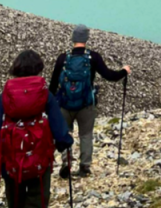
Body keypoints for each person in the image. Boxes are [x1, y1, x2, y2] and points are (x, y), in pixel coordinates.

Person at [0, 49, 73, 208]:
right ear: (38, 69)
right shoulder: (44, 94)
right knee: (36, 206)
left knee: (15, 205)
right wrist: (65, 144)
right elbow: (59, 128)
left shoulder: (6, 95)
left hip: (11, 163)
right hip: (40, 162)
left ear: (16, 69)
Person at [49, 24, 131, 178]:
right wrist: (124, 71)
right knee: (85, 134)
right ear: (86, 38)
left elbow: (53, 85)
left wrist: (50, 104)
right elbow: (109, 76)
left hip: (65, 104)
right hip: (86, 104)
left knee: (65, 133)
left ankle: (66, 163)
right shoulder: (93, 57)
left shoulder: (63, 58)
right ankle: (84, 167)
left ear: (73, 38)